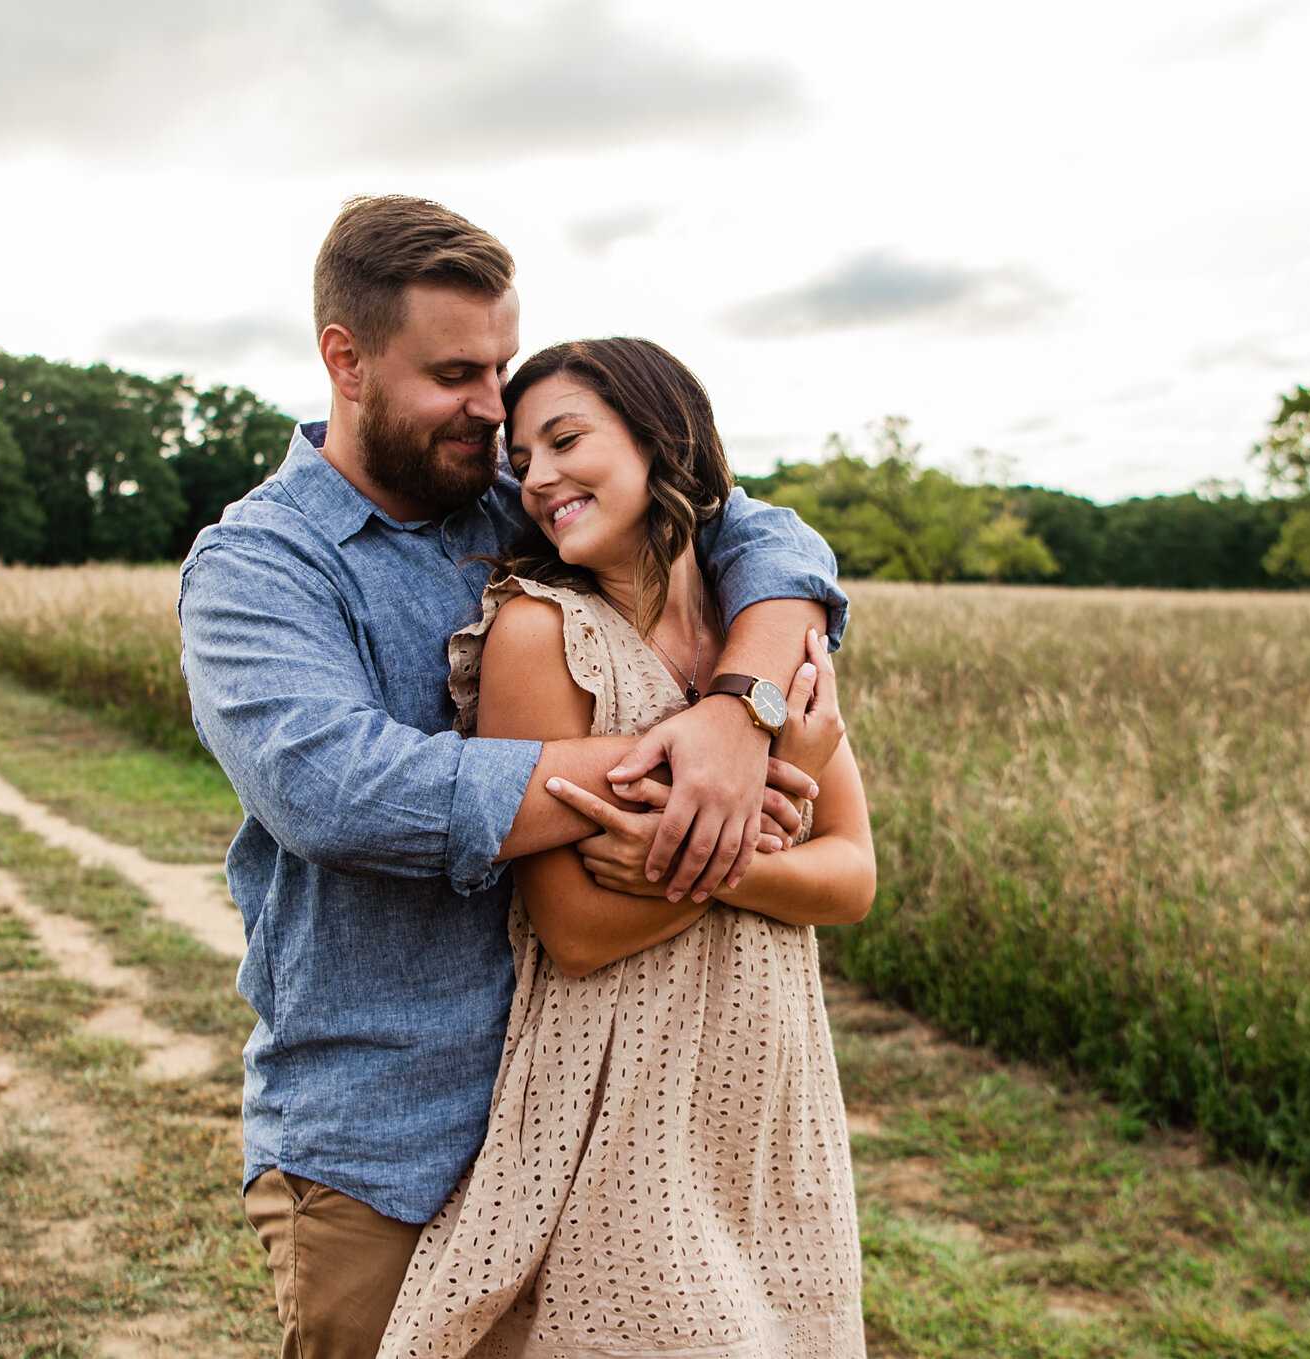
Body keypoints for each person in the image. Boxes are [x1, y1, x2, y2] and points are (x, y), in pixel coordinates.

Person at [178, 196, 847, 1359]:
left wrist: (740, 715)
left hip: (606, 1129)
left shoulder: (521, 495)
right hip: (393, 1141)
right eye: (454, 374)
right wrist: (682, 770)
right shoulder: (257, 565)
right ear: (344, 359)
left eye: (500, 368)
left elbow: (762, 531)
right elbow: (335, 791)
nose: (493, 411)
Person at [376, 338, 874, 1359]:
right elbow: (577, 929)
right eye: (523, 459)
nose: (539, 476)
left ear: (663, 439)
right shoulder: (538, 633)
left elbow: (850, 875)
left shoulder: (771, 642)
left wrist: (718, 846)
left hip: (773, 1096)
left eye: (565, 439)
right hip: (620, 1103)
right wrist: (768, 823)